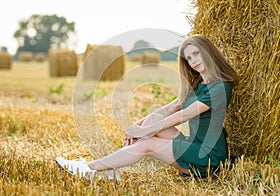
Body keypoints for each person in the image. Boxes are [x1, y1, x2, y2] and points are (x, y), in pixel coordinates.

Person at [56, 34, 239, 180]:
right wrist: (137, 128)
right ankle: (106, 170)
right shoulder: (197, 85)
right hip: (194, 144)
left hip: (209, 157)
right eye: (189, 58)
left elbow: (182, 115)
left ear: (207, 52)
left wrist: (144, 132)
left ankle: (90, 168)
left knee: (148, 143)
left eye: (196, 54)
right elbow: (169, 109)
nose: (193, 61)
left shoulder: (221, 88)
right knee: (154, 119)